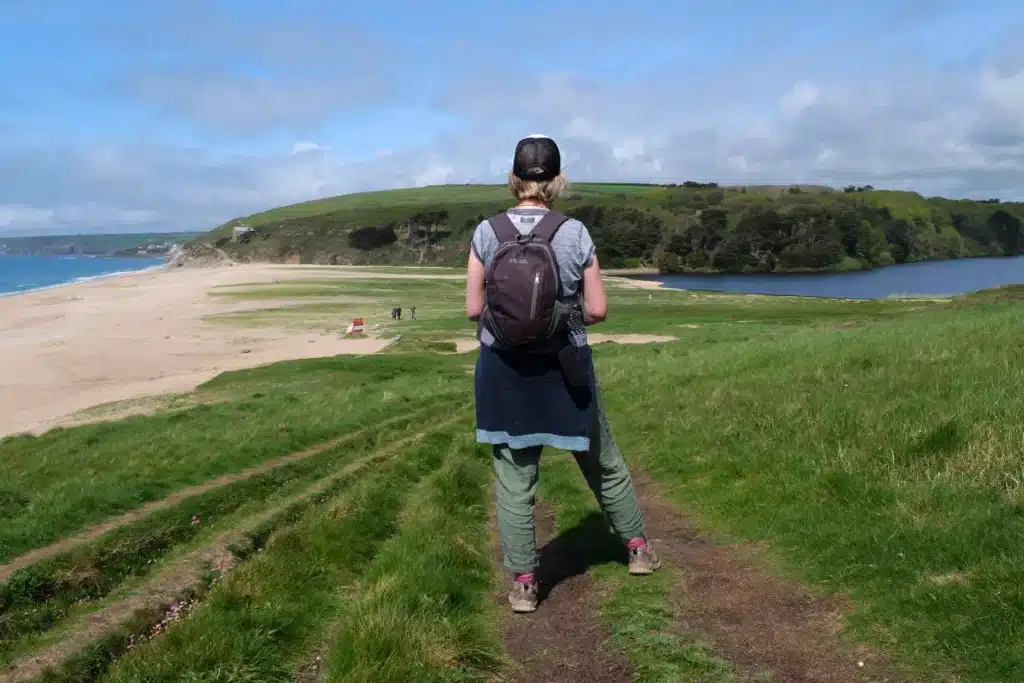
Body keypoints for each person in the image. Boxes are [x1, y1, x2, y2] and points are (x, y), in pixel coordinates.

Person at [466, 134, 660, 614]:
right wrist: (560, 317)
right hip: (565, 369)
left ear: (514, 179)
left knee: (514, 479)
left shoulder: (486, 232)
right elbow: (597, 309)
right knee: (604, 462)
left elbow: (473, 308)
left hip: (504, 371)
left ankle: (525, 585)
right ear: (557, 180)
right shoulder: (575, 233)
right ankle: (637, 551)